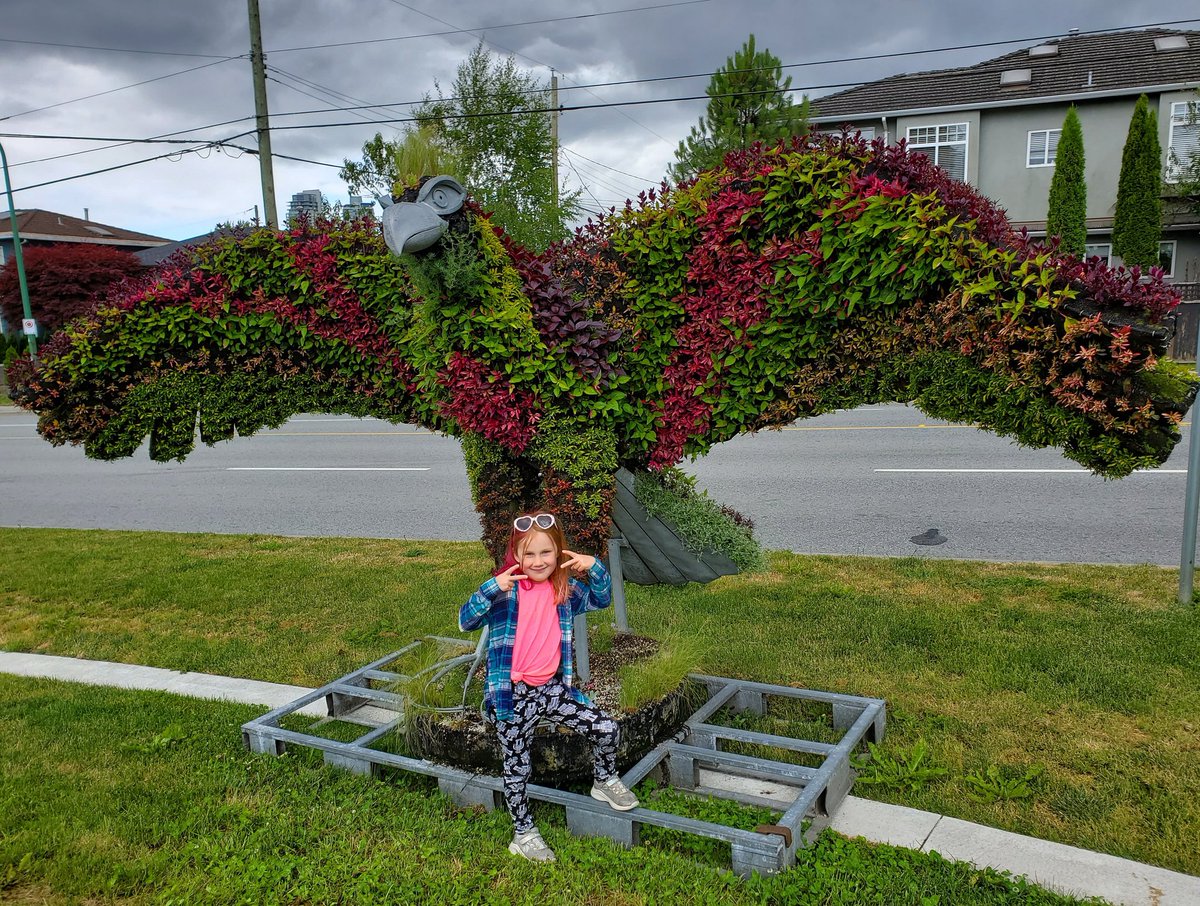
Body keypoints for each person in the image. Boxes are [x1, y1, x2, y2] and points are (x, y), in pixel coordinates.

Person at [459, 511, 639, 862]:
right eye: (529, 554)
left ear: (558, 553)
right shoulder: (505, 594)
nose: (538, 561)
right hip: (512, 699)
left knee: (605, 728)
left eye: (546, 553)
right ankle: (523, 833)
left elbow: (601, 598)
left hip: (552, 692)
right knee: (518, 766)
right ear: (516, 555)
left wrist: (594, 567)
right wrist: (492, 587)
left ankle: (603, 780)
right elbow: (465, 620)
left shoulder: (565, 590)